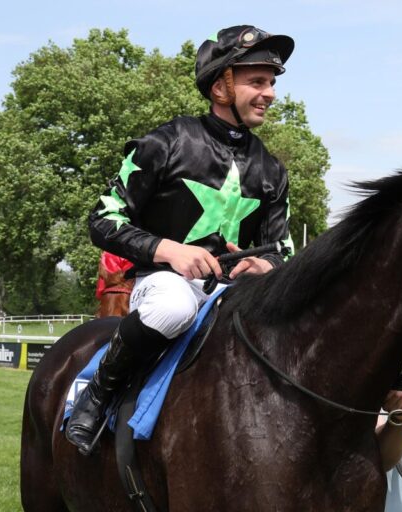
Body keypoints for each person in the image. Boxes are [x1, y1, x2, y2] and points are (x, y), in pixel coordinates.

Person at [65, 25, 295, 454]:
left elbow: (283, 250)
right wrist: (167, 249)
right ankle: (99, 394)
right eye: (257, 81)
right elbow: (102, 219)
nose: (270, 93)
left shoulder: (272, 171)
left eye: (272, 82)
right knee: (175, 305)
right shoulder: (166, 142)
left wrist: (268, 267)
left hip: (237, 294)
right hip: (164, 283)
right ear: (222, 85)